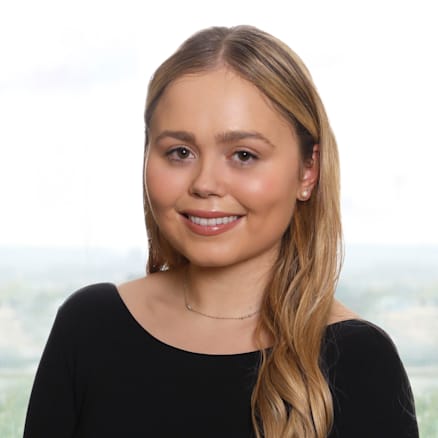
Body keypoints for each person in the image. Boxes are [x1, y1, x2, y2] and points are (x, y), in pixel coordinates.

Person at [23, 25, 418, 438]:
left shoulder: (360, 360)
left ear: (308, 170)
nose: (205, 182)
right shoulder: (89, 328)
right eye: (180, 152)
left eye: (244, 155)